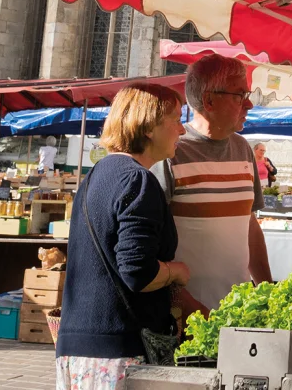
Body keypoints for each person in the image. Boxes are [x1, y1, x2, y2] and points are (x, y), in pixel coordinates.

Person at [56, 83, 191, 388]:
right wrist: (175, 272)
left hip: (78, 348)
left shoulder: (97, 174)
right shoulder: (138, 180)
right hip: (118, 354)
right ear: (148, 127)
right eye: (176, 119)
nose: (182, 130)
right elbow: (138, 273)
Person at [163, 53, 271, 314]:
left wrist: (268, 291)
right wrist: (190, 310)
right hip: (186, 318)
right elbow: (150, 246)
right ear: (209, 101)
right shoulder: (170, 152)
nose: (249, 105)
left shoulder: (243, 149)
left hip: (238, 310)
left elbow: (249, 225)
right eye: (240, 95)